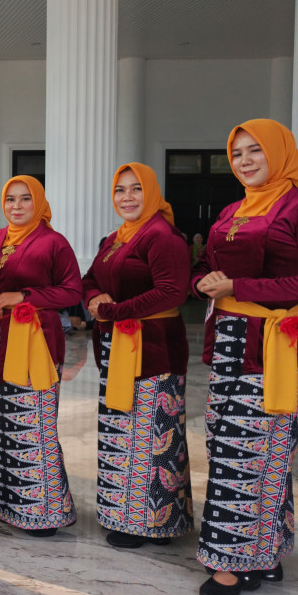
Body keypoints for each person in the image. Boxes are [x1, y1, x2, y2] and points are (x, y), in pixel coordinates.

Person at [192, 119, 298, 595]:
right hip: (229, 339)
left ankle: (230, 566)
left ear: (279, 151)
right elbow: (210, 264)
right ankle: (266, 550)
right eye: (237, 154)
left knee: (247, 451)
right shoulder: (233, 209)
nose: (246, 161)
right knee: (239, 447)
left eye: (256, 150)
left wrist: (239, 289)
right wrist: (204, 281)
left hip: (275, 343)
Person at [83, 163, 193, 552]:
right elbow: (90, 279)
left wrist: (113, 311)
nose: (127, 197)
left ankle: (155, 523)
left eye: (135, 189)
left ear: (151, 192)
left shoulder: (163, 235)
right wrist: (94, 298)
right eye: (119, 190)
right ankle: (123, 513)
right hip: (118, 347)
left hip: (155, 346)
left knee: (153, 434)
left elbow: (172, 291)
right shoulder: (115, 238)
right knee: (122, 432)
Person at [0, 176, 81, 536]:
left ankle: (47, 512)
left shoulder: (53, 241)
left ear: (38, 203)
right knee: (4, 425)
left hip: (37, 342)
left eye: (25, 199)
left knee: (34, 425)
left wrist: (25, 296)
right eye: (10, 199)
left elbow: (71, 291)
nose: (16, 206)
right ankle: (12, 507)